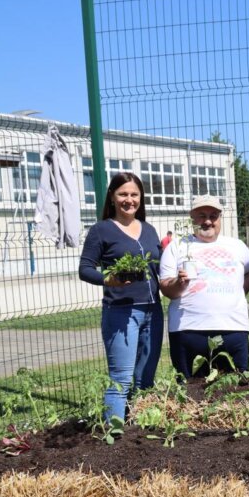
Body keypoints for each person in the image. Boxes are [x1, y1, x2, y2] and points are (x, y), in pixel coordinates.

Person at [78, 172, 164, 422]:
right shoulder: (101, 230)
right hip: (120, 312)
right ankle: (113, 432)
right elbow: (85, 269)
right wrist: (108, 279)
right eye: (123, 194)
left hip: (153, 310)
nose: (129, 199)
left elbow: (157, 269)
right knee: (122, 378)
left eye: (134, 194)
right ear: (113, 198)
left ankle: (141, 426)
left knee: (146, 375)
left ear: (141, 198)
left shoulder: (149, 229)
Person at [158, 195, 249, 379]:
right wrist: (179, 284)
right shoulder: (177, 247)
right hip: (188, 330)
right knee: (190, 390)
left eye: (213, 215)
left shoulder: (236, 246)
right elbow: (165, 288)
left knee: (237, 387)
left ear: (220, 218)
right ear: (192, 218)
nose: (208, 221)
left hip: (233, 329)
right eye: (202, 216)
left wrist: (238, 292)